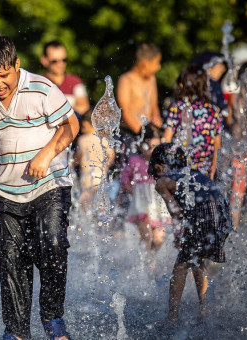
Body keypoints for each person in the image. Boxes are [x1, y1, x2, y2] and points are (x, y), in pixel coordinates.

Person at [0, 34, 79, 340]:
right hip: (6, 192)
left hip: (50, 186)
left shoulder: (42, 89)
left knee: (53, 246)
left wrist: (46, 155)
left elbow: (72, 125)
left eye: (4, 75)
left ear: (17, 65)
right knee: (11, 261)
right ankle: (16, 332)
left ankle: (52, 316)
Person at [148, 143, 232, 323]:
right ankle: (206, 311)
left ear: (159, 167)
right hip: (223, 218)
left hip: (204, 218)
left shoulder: (162, 182)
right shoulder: (194, 174)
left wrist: (180, 236)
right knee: (196, 260)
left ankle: (172, 317)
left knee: (181, 265)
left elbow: (176, 214)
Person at [163, 64, 222, 179]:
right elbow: (217, 145)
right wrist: (212, 173)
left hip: (180, 168)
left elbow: (166, 139)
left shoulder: (178, 107)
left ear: (183, 85)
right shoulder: (213, 110)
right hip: (205, 169)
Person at [120, 124, 170, 254]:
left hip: (158, 203)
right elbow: (125, 178)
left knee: (159, 238)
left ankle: (153, 256)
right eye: (151, 146)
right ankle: (146, 263)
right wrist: (131, 191)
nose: (154, 150)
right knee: (146, 236)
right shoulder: (135, 160)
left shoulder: (162, 162)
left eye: (157, 146)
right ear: (142, 145)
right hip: (141, 204)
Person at [117, 43, 163, 165]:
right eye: (156, 63)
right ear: (146, 63)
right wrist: (141, 133)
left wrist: (156, 124)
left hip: (147, 133)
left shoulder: (152, 79)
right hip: (130, 133)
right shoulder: (126, 80)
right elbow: (124, 111)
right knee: (130, 167)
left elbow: (154, 106)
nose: (158, 67)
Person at [74, 108, 114, 217]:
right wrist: (106, 166)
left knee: (85, 205)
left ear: (90, 124)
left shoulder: (82, 139)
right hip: (101, 175)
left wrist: (71, 164)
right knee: (102, 202)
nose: (82, 129)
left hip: (87, 176)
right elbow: (111, 155)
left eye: (83, 126)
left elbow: (78, 157)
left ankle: (85, 224)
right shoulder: (104, 139)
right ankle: (103, 225)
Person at [227, 62, 247, 228]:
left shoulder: (235, 97)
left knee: (237, 190)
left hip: (238, 147)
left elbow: (229, 119)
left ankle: (233, 227)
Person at [41, 40, 90, 115]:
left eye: (64, 60)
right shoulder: (40, 83)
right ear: (44, 61)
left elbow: (84, 108)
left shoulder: (75, 81)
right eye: (55, 61)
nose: (61, 64)